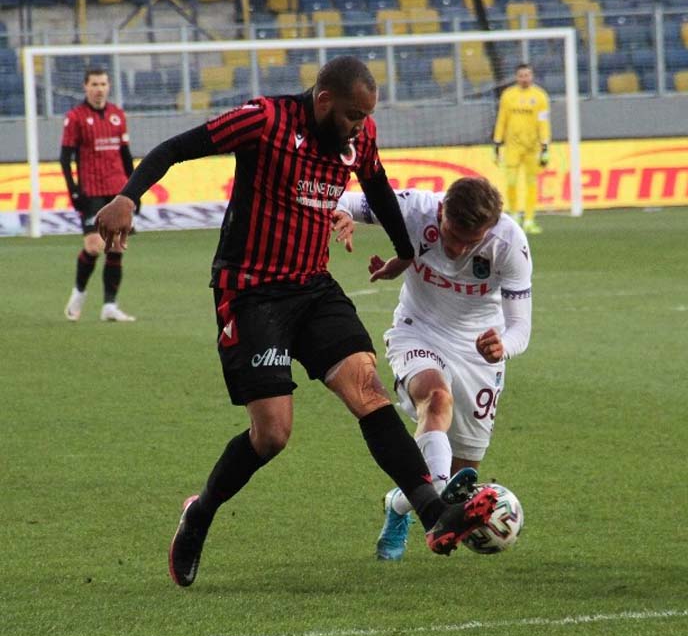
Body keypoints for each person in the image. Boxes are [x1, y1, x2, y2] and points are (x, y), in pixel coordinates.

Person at [94, 56, 498, 588]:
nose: (360, 126)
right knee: (272, 434)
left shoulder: (359, 137)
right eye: (353, 114)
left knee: (369, 391)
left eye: (365, 117)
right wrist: (128, 195)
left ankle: (432, 513)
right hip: (251, 291)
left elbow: (376, 187)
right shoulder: (265, 119)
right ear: (325, 101)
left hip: (312, 286)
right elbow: (175, 148)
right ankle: (201, 512)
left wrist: (403, 252)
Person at [336, 176, 532, 560]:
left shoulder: (510, 244)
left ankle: (398, 504)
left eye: (470, 241)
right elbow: (344, 199)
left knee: (465, 469)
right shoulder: (413, 208)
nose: (457, 249)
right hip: (418, 330)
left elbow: (521, 327)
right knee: (436, 399)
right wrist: (341, 213)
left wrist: (502, 347)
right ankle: (438, 515)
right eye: (451, 235)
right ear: (441, 212)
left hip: (479, 350)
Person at [61, 67, 137, 322]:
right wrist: (73, 191)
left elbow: (126, 156)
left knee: (116, 247)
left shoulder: (118, 115)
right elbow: (65, 158)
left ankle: (109, 306)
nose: (99, 89)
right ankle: (79, 292)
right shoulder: (75, 117)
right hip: (90, 190)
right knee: (94, 246)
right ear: (85, 86)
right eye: (94, 84)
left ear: (109, 86)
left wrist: (134, 191)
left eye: (103, 84)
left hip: (117, 190)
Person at [492, 63, 550, 235]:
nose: (524, 78)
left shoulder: (540, 96)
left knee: (531, 183)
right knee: (511, 182)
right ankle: (515, 215)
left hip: (532, 148)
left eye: (527, 75)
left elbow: (544, 123)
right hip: (512, 147)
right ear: (516, 77)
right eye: (521, 75)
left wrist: (545, 146)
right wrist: (497, 143)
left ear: (531, 76)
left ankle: (530, 219)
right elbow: (502, 120)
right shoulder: (508, 96)